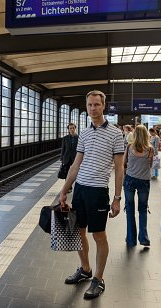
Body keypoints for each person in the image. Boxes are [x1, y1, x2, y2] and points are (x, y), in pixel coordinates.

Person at [59, 90, 124, 300]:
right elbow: (75, 165)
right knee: (79, 232)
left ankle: (98, 278)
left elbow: (119, 167)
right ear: (86, 107)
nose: (93, 108)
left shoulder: (116, 133)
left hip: (98, 192)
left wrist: (116, 198)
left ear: (103, 106)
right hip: (80, 190)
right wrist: (63, 192)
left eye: (96, 104)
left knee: (99, 235)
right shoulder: (84, 134)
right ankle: (85, 269)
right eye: (89, 105)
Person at [123, 125, 154, 247]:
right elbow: (150, 165)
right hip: (144, 181)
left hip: (130, 180)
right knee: (142, 209)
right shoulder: (150, 149)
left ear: (135, 135)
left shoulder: (129, 147)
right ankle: (144, 238)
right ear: (146, 135)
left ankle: (131, 239)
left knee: (130, 209)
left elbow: (124, 163)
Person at [60, 123, 78, 187]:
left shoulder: (79, 138)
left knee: (75, 172)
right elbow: (63, 149)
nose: (72, 129)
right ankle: (68, 186)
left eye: (73, 128)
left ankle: (76, 185)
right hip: (67, 158)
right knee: (67, 173)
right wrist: (62, 158)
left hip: (76, 158)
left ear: (75, 128)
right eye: (70, 128)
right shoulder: (65, 138)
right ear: (68, 129)